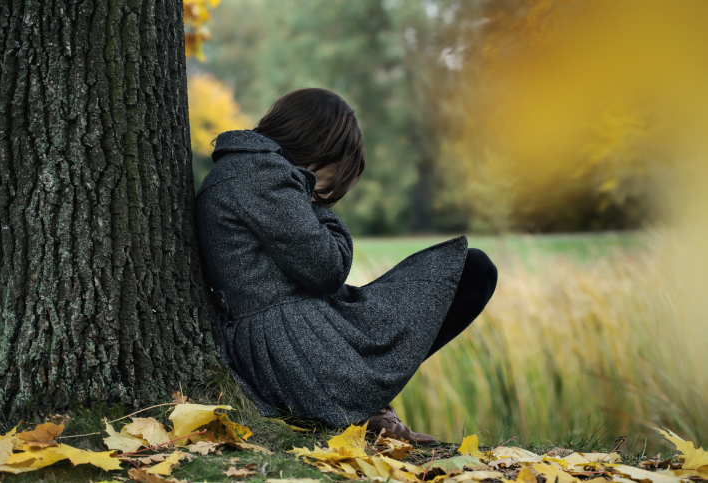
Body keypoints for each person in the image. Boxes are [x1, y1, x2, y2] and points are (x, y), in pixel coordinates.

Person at [195, 88, 497, 445]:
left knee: (467, 272)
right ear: (324, 149)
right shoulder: (262, 173)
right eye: (335, 176)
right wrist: (321, 211)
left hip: (295, 338)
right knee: (474, 270)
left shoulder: (245, 169)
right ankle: (368, 410)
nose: (326, 192)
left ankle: (371, 409)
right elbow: (327, 268)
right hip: (295, 347)